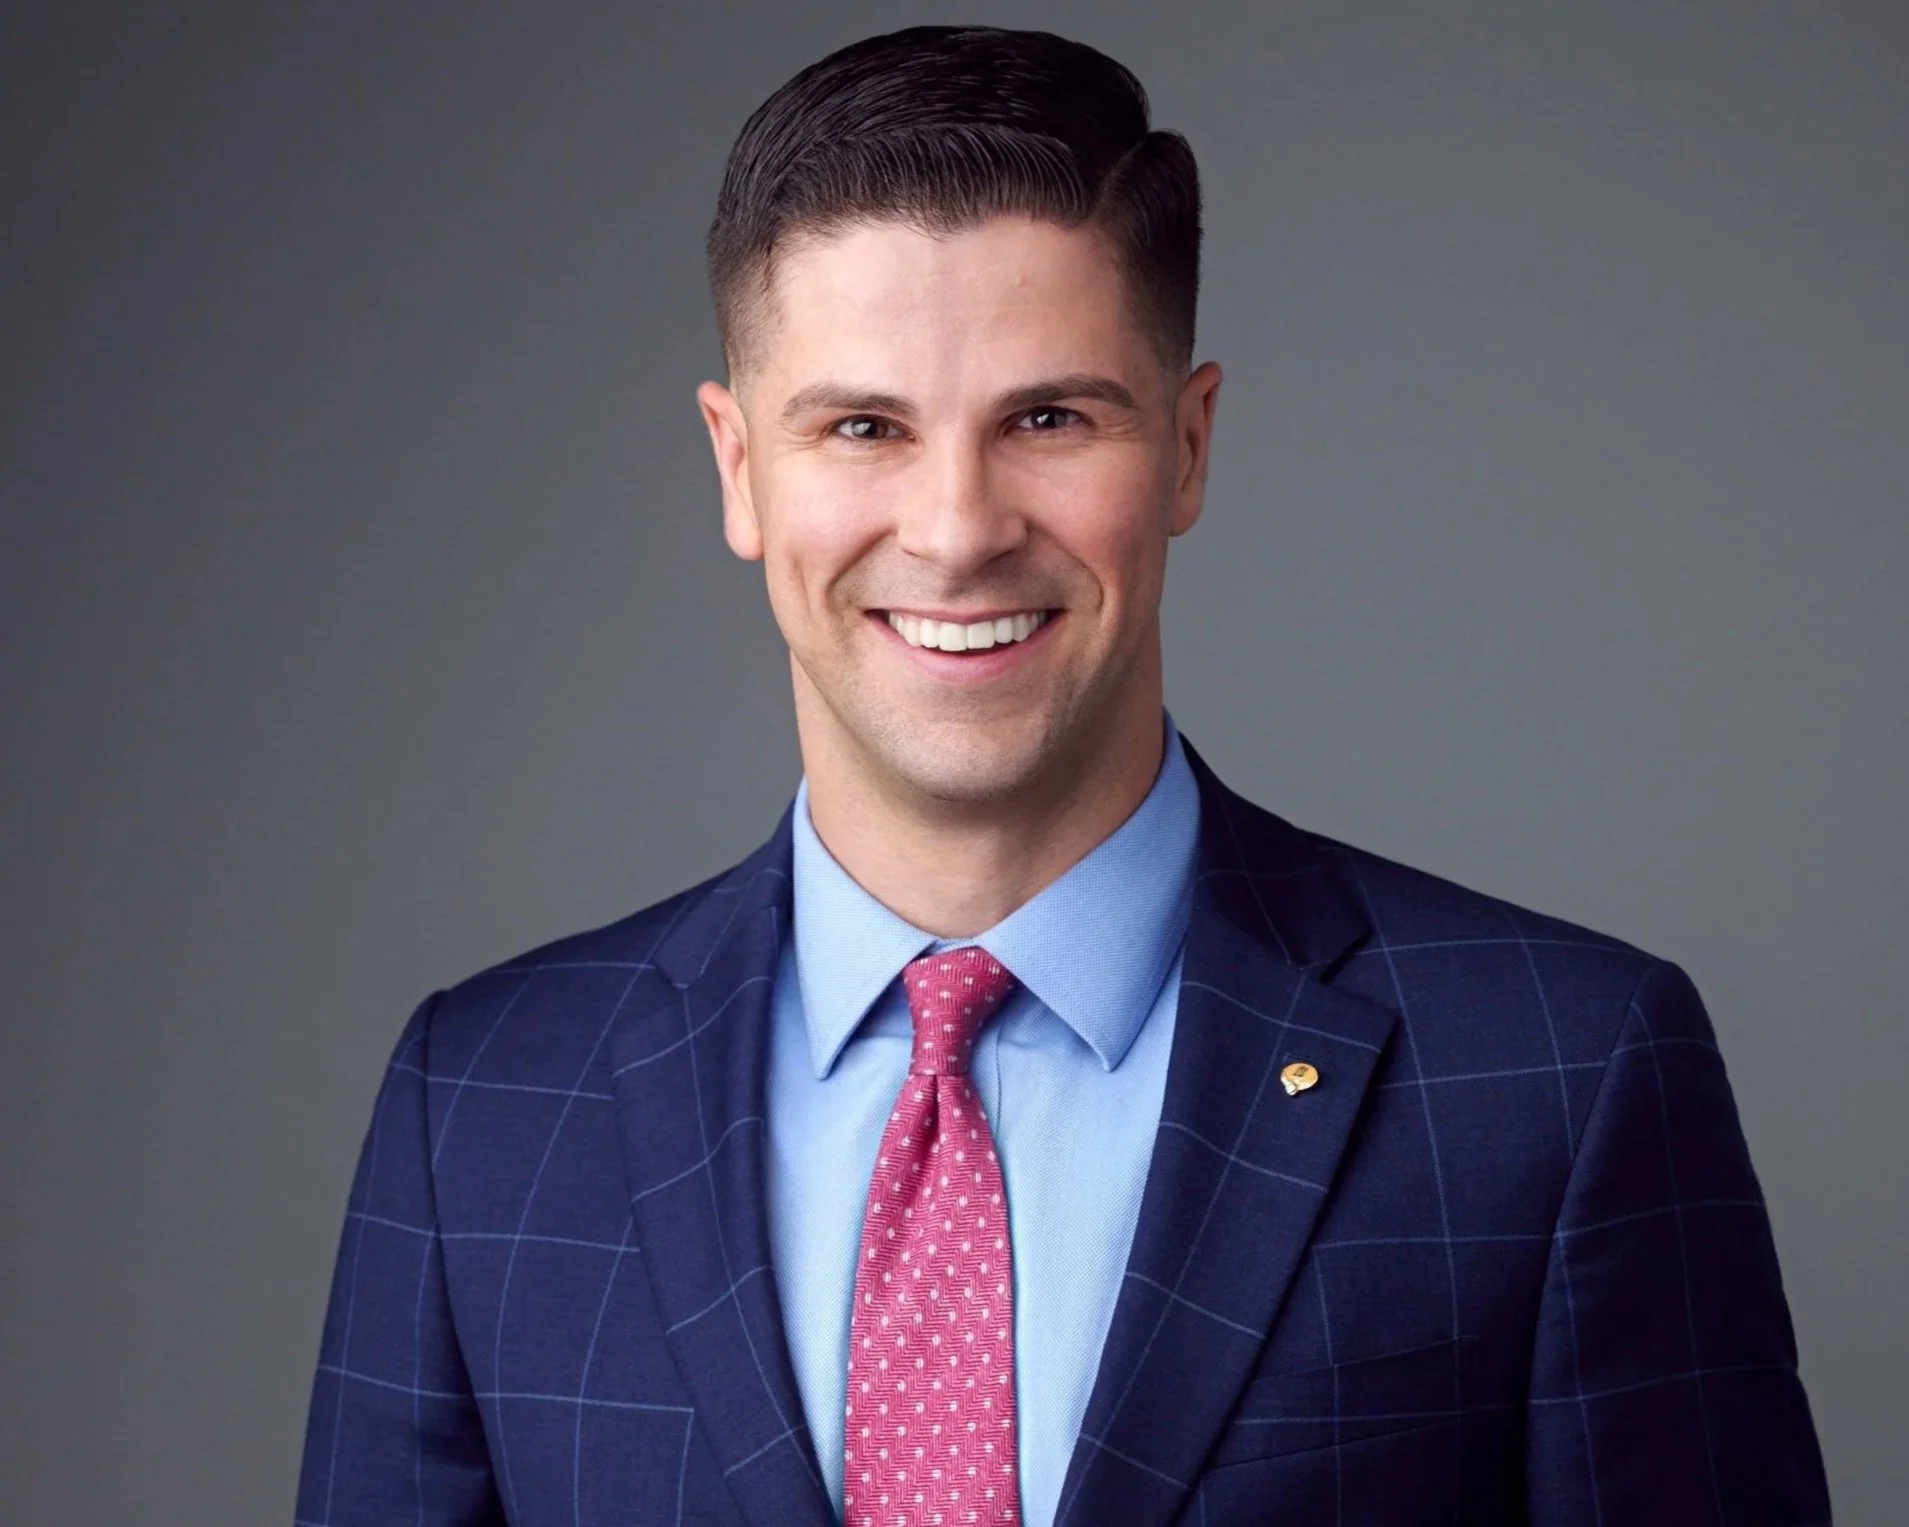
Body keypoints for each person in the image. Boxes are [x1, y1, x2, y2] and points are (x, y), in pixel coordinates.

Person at [296, 25, 1829, 1527]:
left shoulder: (1557, 1078)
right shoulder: (484, 1109)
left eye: (1047, 417)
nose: (957, 528)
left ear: (1186, 445)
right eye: (862, 426)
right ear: (740, 469)